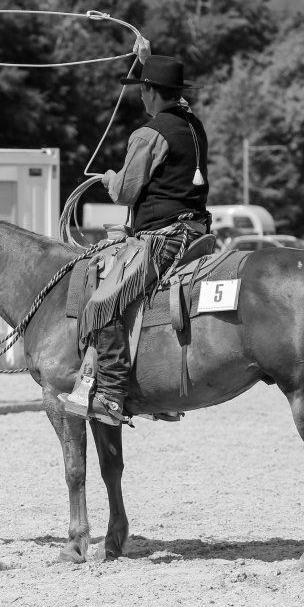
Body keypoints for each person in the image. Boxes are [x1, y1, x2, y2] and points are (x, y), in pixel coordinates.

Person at [61, 54, 211, 426]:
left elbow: (126, 192)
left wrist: (110, 176)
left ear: (150, 91)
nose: (141, 98)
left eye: (143, 90)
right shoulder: (193, 125)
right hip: (195, 232)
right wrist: (146, 58)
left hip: (163, 238)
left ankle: (111, 393)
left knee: (103, 300)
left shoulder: (149, 134)